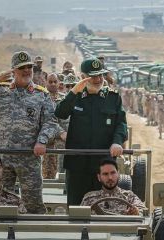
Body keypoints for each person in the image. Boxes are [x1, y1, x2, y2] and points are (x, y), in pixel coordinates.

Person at [0, 51, 58, 213]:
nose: (27, 70)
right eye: (22, 67)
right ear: (13, 71)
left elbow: (51, 122)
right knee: (0, 203)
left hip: (29, 158)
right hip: (2, 159)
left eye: (29, 67)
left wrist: (42, 140)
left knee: (33, 203)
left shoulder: (41, 95)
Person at [55, 58, 128, 206]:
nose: (98, 79)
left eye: (100, 75)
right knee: (76, 208)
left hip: (103, 166)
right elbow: (60, 113)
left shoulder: (113, 98)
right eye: (93, 76)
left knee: (105, 207)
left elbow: (121, 124)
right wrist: (74, 91)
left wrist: (117, 142)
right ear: (83, 77)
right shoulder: (76, 97)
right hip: (77, 165)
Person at [80, 160, 145, 215]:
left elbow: (144, 212)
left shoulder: (129, 196)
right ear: (99, 177)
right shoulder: (89, 198)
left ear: (118, 174)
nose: (110, 177)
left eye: (113, 173)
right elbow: (79, 219)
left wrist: (136, 212)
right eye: (105, 174)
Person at [42, 73, 68, 178]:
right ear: (45, 82)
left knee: (62, 172)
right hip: (46, 142)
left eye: (55, 82)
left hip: (62, 142)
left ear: (59, 83)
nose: (53, 84)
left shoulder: (64, 99)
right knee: (47, 174)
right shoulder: (40, 97)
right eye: (50, 81)